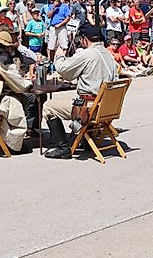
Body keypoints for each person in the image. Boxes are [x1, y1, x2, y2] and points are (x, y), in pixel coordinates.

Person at [41, 24, 118, 159]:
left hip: (90, 108)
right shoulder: (108, 54)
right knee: (81, 98)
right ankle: (87, 139)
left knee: (48, 107)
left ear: (84, 39)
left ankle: (63, 147)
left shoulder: (87, 54)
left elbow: (64, 70)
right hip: (106, 106)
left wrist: (59, 55)